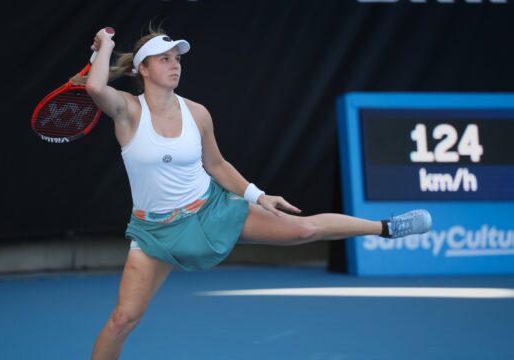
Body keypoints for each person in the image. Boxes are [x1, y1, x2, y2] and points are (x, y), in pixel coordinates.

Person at [85, 26, 432, 360]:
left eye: (177, 58)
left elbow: (217, 165)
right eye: (164, 59)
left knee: (305, 229)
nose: (175, 64)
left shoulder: (197, 113)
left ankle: (387, 227)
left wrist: (257, 196)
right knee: (122, 321)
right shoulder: (128, 110)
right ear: (142, 68)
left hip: (212, 210)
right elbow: (96, 86)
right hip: (154, 234)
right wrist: (105, 46)